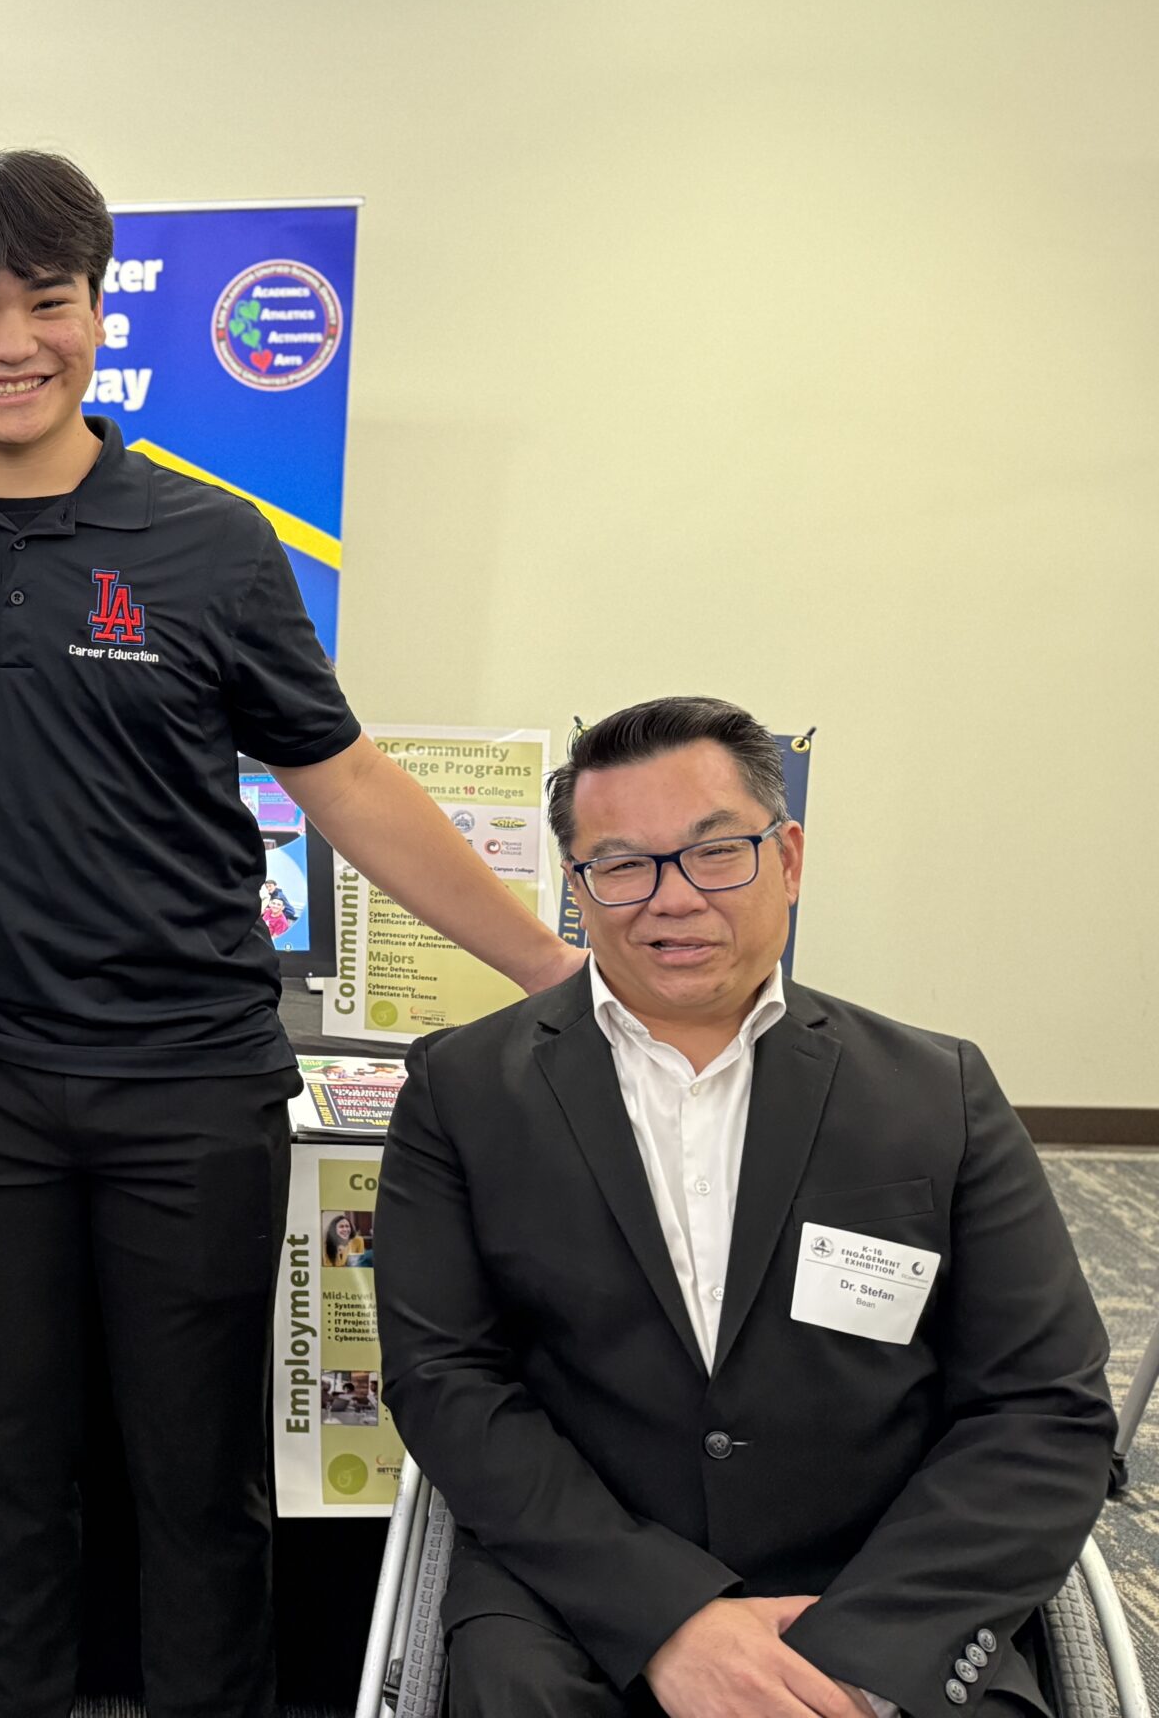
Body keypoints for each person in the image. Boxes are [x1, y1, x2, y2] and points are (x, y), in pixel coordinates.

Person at [0, 148, 582, 1718]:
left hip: (188, 1088)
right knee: (5, 1477)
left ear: (92, 313)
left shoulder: (209, 545)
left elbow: (348, 788)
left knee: (198, 1480)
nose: (9, 341)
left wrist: (554, 969)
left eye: (45, 302)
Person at [377, 696, 1118, 1718]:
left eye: (714, 852)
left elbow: (1042, 1406)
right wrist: (667, 1617)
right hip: (577, 1583)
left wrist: (855, 1659)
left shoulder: (932, 1093)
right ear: (575, 890)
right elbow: (445, 1382)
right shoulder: (464, 1091)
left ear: (791, 858)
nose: (671, 900)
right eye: (620, 864)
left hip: (876, 1573)